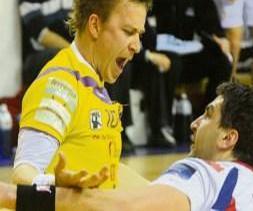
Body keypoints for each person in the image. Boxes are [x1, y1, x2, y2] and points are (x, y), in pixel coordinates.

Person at [2, 82, 253, 210]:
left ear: (227, 138)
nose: (195, 123)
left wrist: (11, 195)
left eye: (208, 115)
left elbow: (123, 207)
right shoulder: (243, 183)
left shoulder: (207, 172)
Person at [12, 0, 151, 189]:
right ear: (95, 25)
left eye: (139, 34)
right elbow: (23, 174)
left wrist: (161, 193)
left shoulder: (95, 84)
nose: (137, 46)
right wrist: (53, 183)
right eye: (128, 32)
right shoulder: (60, 85)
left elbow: (111, 173)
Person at [213, 0, 253, 79]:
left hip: (234, 23)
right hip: (221, 22)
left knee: (234, 52)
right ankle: (227, 78)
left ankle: (231, 77)